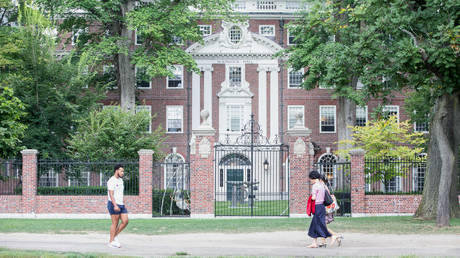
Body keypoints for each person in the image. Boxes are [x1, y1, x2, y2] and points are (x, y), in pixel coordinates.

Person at [307, 170, 331, 248]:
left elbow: (314, 197)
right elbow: (327, 192)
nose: (310, 180)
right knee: (316, 224)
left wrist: (310, 199)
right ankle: (316, 242)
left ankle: (330, 236)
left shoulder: (315, 186)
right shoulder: (322, 184)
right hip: (322, 206)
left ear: (313, 178)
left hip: (317, 207)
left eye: (310, 179)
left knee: (318, 224)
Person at [107, 164, 129, 248]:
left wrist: (123, 203)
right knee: (115, 223)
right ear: (116, 171)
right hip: (113, 204)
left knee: (125, 221)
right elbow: (111, 194)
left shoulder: (121, 181)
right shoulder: (111, 181)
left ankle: (114, 237)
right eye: (121, 171)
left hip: (121, 204)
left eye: (123, 171)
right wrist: (115, 205)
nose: (123, 173)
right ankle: (111, 242)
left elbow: (120, 193)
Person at [320, 174, 343, 247]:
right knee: (323, 226)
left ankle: (335, 235)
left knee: (323, 226)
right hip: (327, 209)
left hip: (325, 209)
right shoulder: (325, 186)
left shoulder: (323, 187)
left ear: (320, 180)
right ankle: (323, 242)